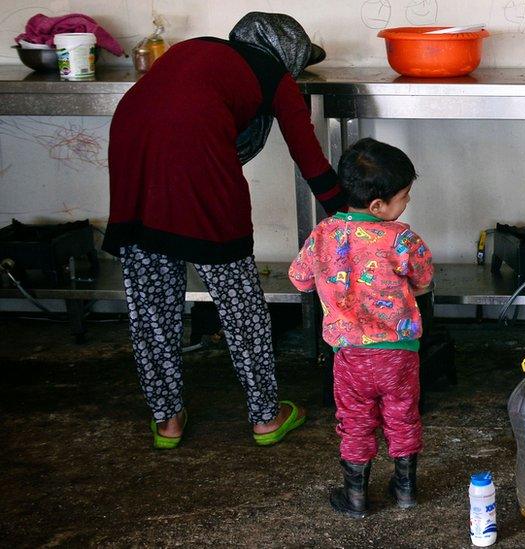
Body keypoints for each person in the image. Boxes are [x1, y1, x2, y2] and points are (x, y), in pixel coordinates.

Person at [102, 13, 347, 449]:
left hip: (131, 147)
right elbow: (308, 157)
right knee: (240, 303)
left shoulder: (196, 48)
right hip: (200, 164)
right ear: (288, 53)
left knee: (151, 304)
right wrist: (348, 216)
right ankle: (266, 418)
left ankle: (168, 421)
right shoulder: (275, 76)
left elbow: (170, 103)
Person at [289, 138, 434, 519]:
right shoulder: (403, 238)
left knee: (354, 423)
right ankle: (405, 490)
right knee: (402, 416)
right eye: (404, 197)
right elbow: (424, 283)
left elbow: (300, 280)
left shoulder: (322, 235)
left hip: (349, 355)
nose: (406, 204)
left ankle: (355, 498)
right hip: (399, 353)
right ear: (377, 206)